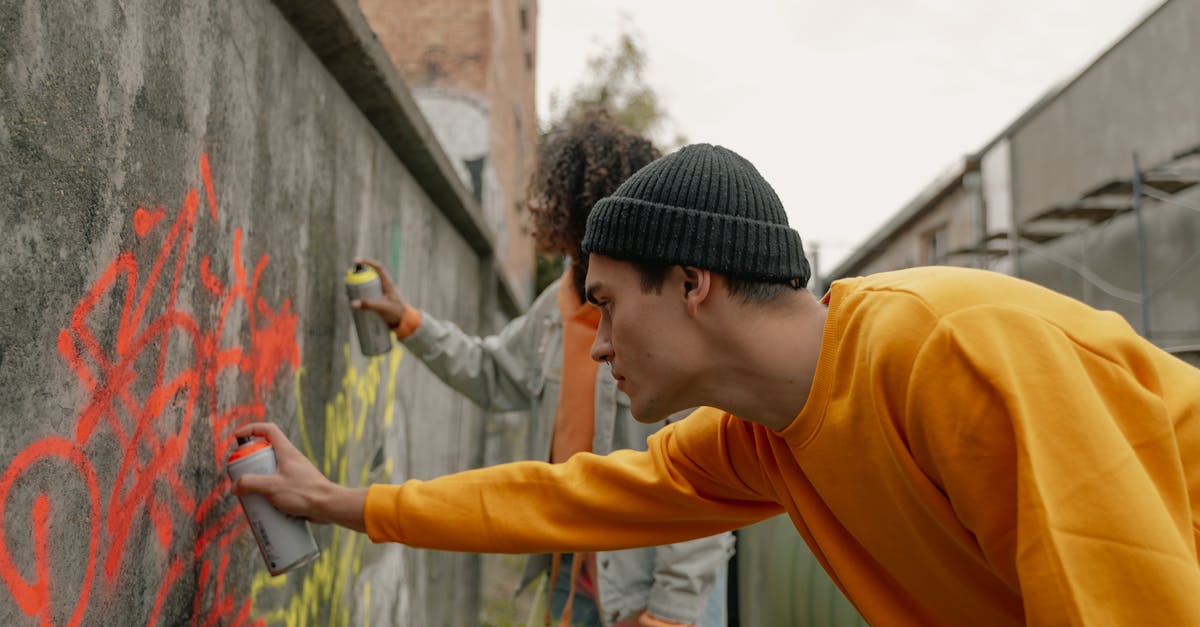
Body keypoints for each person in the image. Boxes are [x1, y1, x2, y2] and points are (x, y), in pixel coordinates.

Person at [236, 143, 1200, 625]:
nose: (598, 345)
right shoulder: (760, 437)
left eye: (607, 305)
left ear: (693, 284)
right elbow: (560, 497)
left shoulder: (952, 350)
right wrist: (335, 500)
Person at [350, 111, 733, 627]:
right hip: (569, 572)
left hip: (652, 591)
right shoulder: (555, 308)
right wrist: (409, 322)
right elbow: (492, 371)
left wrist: (669, 610)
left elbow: (701, 477)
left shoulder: (665, 319)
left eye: (557, 199)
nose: (541, 209)